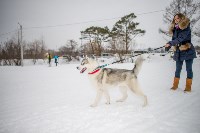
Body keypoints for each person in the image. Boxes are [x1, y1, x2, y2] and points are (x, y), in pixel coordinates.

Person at [165, 13, 196, 92]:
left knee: (188, 69)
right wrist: (169, 45)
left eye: (177, 18)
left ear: (181, 19)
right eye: (175, 19)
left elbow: (180, 38)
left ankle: (188, 87)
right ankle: (175, 85)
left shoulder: (186, 28)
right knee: (178, 69)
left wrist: (170, 43)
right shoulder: (175, 29)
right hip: (179, 51)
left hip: (187, 50)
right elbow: (175, 40)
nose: (175, 20)